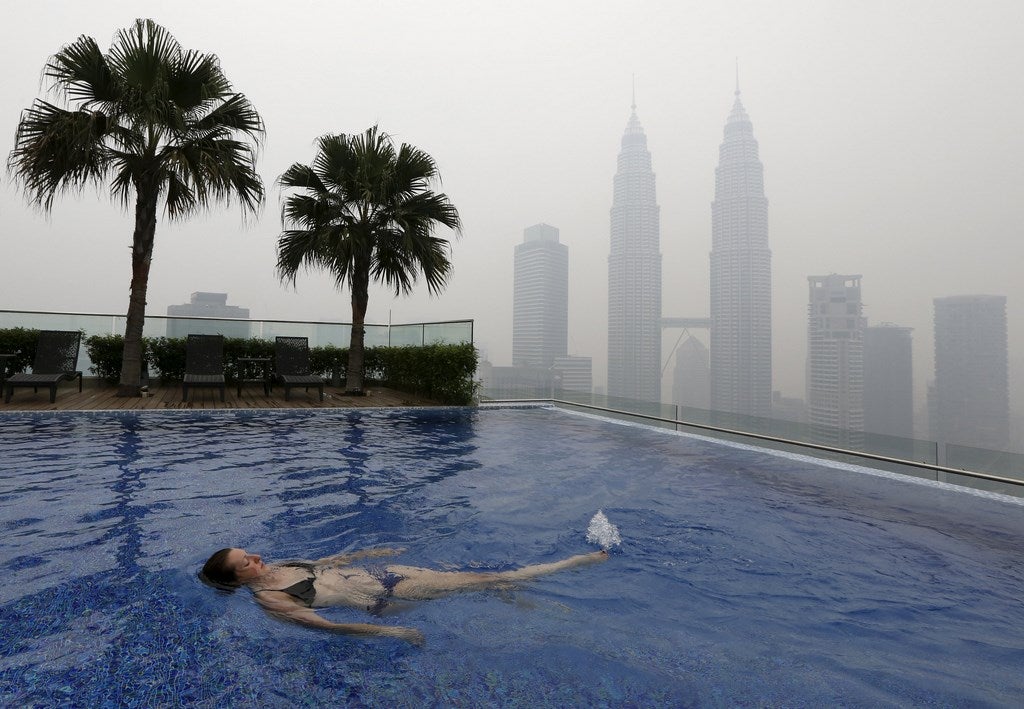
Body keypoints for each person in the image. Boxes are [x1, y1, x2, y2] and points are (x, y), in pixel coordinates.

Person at [201, 546, 608, 645]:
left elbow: (329, 562)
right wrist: (388, 633)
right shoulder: (272, 600)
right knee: (487, 580)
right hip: (381, 597)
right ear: (236, 581)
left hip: (382, 573)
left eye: (248, 552)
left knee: (478, 579)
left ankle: (517, 596)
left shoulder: (282, 566)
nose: (256, 557)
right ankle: (569, 565)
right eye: (246, 563)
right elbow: (326, 626)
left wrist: (370, 554)